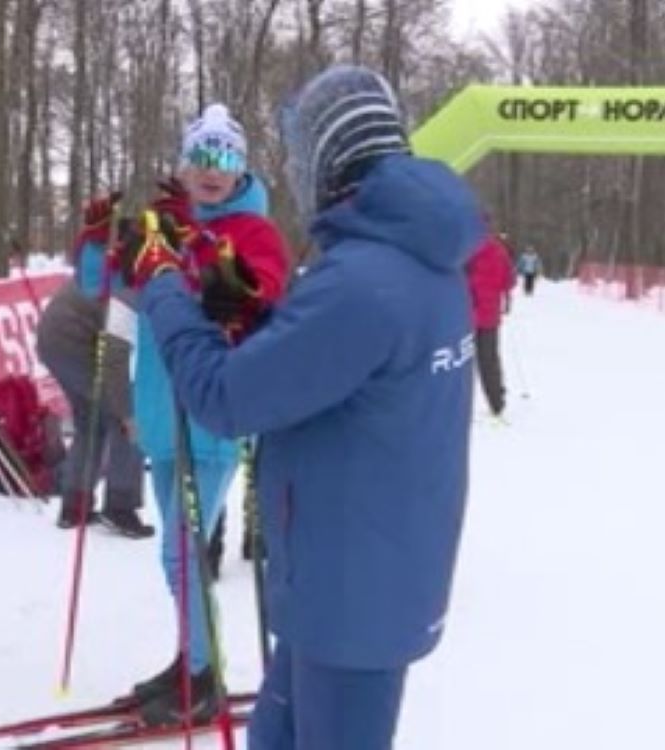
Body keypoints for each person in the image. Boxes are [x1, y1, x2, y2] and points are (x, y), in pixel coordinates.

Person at [132, 66, 484, 749]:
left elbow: (225, 398)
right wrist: (259, 323)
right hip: (345, 573)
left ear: (327, 163)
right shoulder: (411, 259)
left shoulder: (363, 280)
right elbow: (330, 372)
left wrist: (165, 283)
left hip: (353, 594)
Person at [120, 104, 289, 727]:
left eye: (224, 159)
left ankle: (204, 672)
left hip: (212, 415)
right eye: (201, 157)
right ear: (183, 166)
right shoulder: (165, 222)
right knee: (178, 553)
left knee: (181, 554)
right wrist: (105, 244)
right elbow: (106, 284)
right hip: (164, 413)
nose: (211, 171)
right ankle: (191, 657)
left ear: (241, 167)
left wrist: (236, 285)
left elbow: (264, 289)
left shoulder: (254, 230)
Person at [36, 201, 152, 539]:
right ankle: (121, 504)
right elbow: (117, 358)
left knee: (91, 419)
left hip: (59, 339)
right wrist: (128, 411)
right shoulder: (127, 280)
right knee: (126, 418)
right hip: (72, 343)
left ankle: (76, 504)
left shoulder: (121, 264)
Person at [467, 233, 516, 417]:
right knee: (489, 359)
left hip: (466, 315)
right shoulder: (499, 250)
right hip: (489, 315)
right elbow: (509, 281)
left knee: (460, 360)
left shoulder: (465, 249)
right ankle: (497, 402)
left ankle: (458, 405)